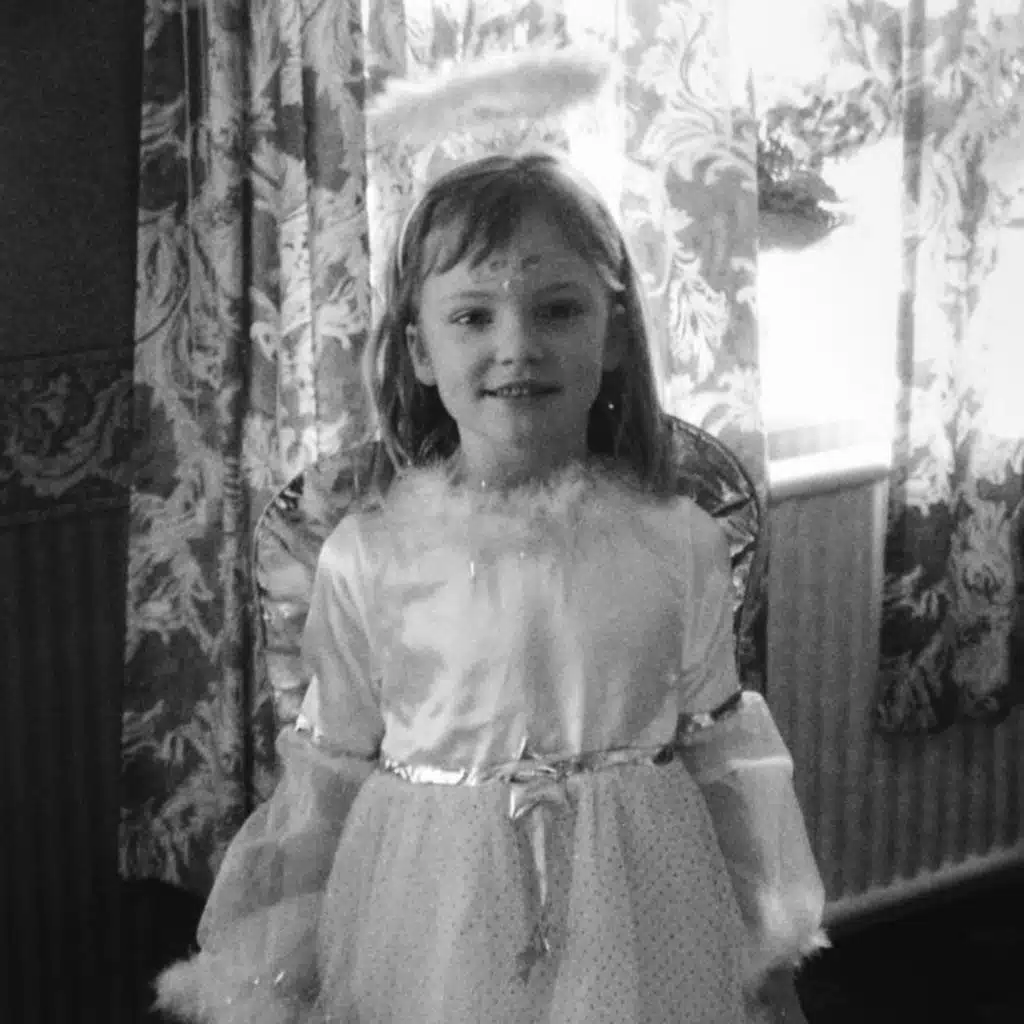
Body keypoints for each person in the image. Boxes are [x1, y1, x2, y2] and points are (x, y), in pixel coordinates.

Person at [157, 151, 826, 1024]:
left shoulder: (680, 544)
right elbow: (328, 773)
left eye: (558, 309)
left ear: (614, 336)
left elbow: (722, 757)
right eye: (473, 315)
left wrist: (766, 950)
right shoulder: (370, 557)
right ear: (420, 350)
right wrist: (276, 965)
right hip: (430, 918)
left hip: (642, 914)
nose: (518, 346)